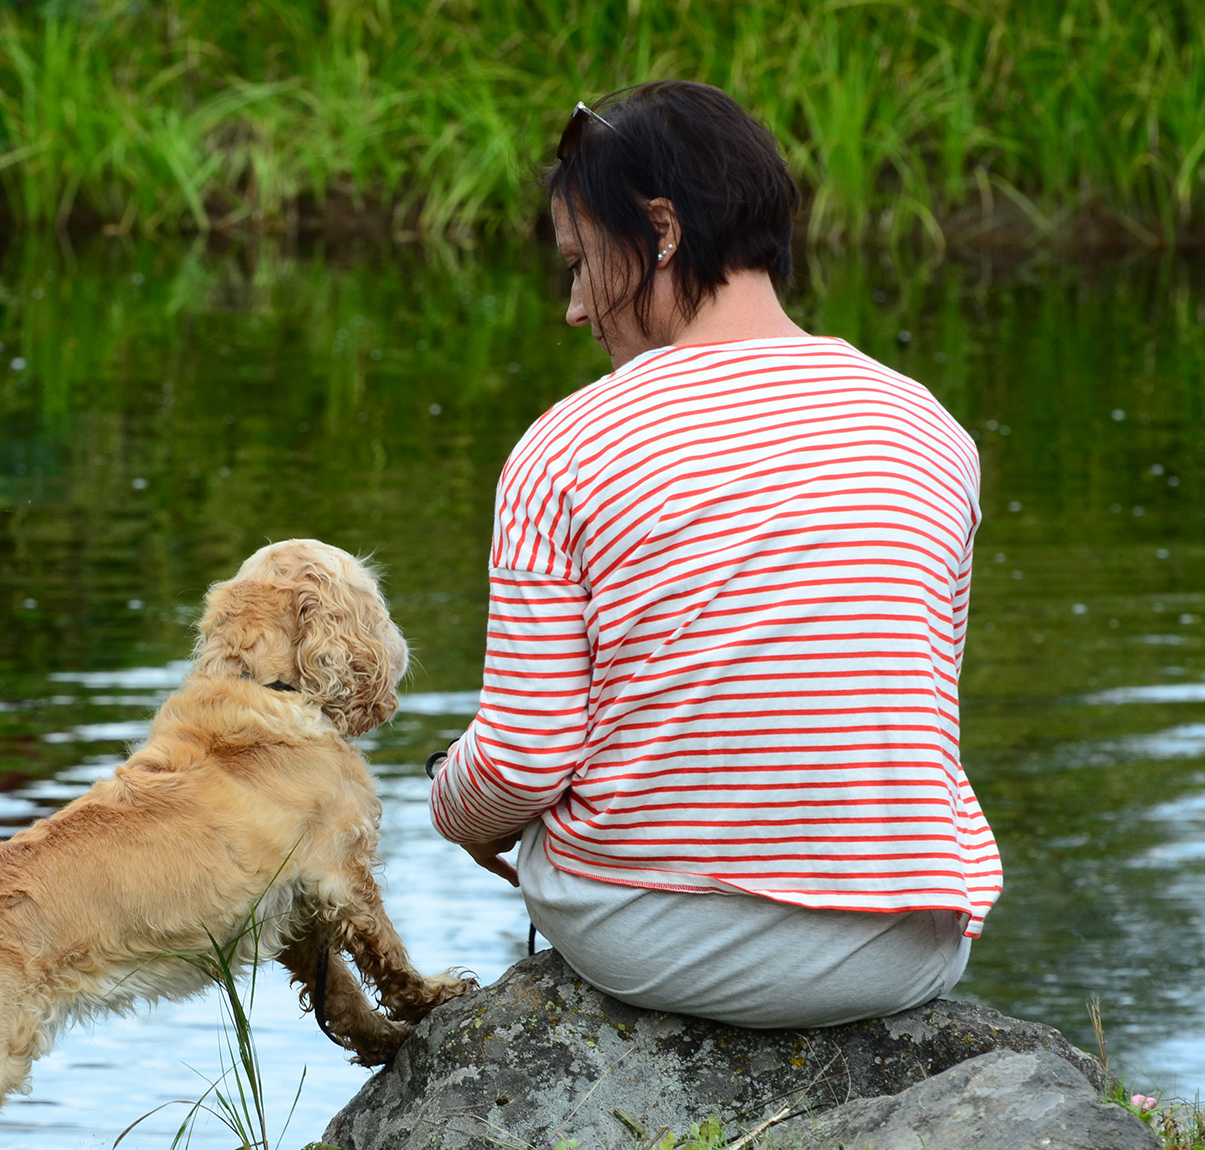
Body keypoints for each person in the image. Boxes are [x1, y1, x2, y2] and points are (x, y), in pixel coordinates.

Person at [427, 81, 999, 1029]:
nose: (575, 308)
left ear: (660, 229)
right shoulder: (929, 427)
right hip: (911, 939)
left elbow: (524, 759)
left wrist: (451, 798)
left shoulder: (566, 444)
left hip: (658, 937)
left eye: (578, 263)